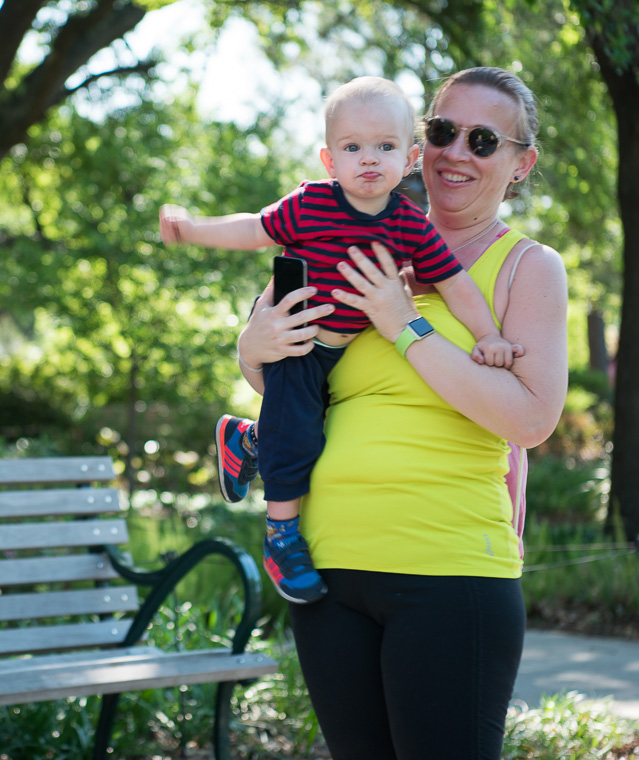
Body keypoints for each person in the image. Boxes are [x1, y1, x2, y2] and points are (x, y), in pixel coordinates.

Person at [234, 67, 567, 759]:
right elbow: (287, 387)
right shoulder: (340, 237)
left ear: (519, 163)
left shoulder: (524, 268)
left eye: (482, 140)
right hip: (325, 572)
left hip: (448, 573)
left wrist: (405, 325)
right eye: (441, 131)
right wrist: (250, 348)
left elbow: (531, 418)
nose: (455, 152)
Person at [159, 76, 517, 604]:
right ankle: (281, 536)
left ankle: (248, 441)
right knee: (301, 438)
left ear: (411, 157)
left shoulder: (409, 225)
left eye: (385, 147)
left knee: (308, 425)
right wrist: (193, 229)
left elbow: (455, 283)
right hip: (302, 344)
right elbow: (254, 229)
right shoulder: (309, 206)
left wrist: (488, 334)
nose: (368, 160)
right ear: (329, 160)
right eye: (353, 148)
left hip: (345, 351)